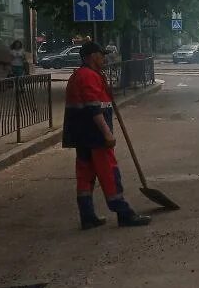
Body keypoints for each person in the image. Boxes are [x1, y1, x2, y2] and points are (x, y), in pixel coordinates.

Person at [62, 41, 150, 229]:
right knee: (109, 172)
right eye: (101, 55)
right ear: (93, 56)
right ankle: (124, 213)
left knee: (85, 175)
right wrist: (107, 133)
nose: (104, 58)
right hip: (94, 135)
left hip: (81, 135)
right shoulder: (88, 76)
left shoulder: (83, 75)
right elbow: (94, 108)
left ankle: (87, 216)